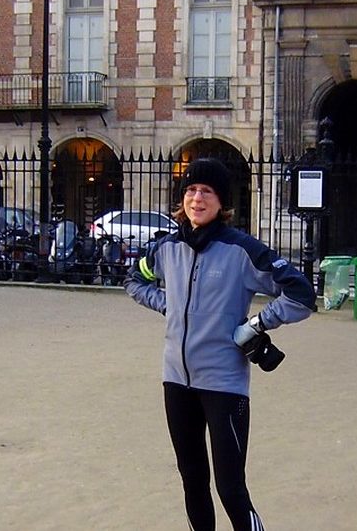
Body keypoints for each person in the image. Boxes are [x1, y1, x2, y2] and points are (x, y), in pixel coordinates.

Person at [124, 157, 316, 530]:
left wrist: (259, 323)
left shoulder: (241, 250)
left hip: (224, 385)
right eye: (191, 190)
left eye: (207, 191)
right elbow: (135, 279)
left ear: (222, 202)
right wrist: (171, 306)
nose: (197, 198)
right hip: (176, 381)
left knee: (230, 489)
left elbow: (302, 294)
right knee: (193, 480)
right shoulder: (166, 247)